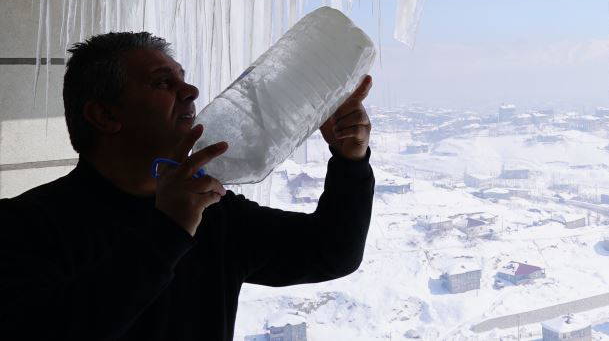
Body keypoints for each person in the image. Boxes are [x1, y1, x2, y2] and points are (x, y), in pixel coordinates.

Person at [0, 31, 375, 339]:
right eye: (163, 82)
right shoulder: (26, 226)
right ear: (105, 115)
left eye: (183, 77)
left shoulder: (215, 213)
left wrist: (350, 161)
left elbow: (332, 250)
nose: (191, 91)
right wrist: (168, 230)